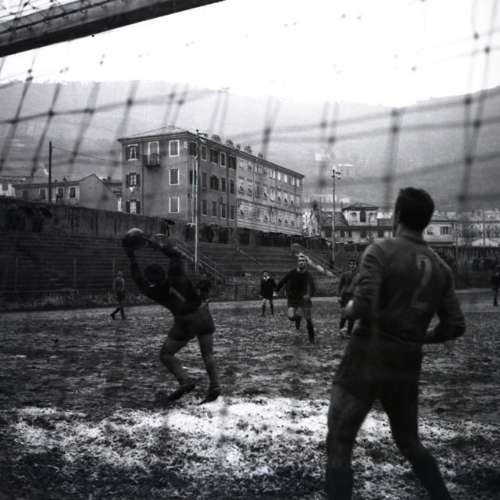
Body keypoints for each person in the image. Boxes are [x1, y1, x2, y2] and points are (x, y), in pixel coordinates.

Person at [325, 187, 466, 500]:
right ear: (426, 221)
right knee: (409, 442)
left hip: (367, 354)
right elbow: (455, 325)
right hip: (407, 361)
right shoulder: (441, 267)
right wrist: (421, 337)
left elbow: (364, 305)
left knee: (339, 441)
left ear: (398, 216)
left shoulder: (381, 250)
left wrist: (347, 309)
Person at [124, 237, 220, 404]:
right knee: (208, 354)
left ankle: (185, 380)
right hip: (202, 313)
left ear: (150, 279)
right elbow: (175, 255)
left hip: (184, 322)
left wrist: (132, 257)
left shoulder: (153, 291)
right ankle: (215, 385)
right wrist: (155, 244)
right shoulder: (176, 274)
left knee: (166, 354)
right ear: (164, 272)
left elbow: (138, 280)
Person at [276, 253, 317, 344]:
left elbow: (313, 288)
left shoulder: (308, 275)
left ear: (306, 263)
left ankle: (312, 339)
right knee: (291, 317)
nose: (301, 262)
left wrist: (309, 295)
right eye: (300, 261)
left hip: (303, 299)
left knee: (308, 319)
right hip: (292, 298)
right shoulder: (292, 272)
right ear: (297, 262)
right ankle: (298, 317)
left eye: (303, 261)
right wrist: (276, 290)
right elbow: (283, 281)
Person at [337, 260, 357, 337]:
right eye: (351, 264)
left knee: (352, 316)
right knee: (343, 315)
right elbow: (340, 285)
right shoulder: (345, 274)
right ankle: (341, 331)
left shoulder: (359, 275)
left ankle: (349, 333)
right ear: (349, 265)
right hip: (344, 296)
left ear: (356, 266)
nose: (352, 266)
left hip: (353, 297)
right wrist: (339, 296)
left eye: (354, 264)